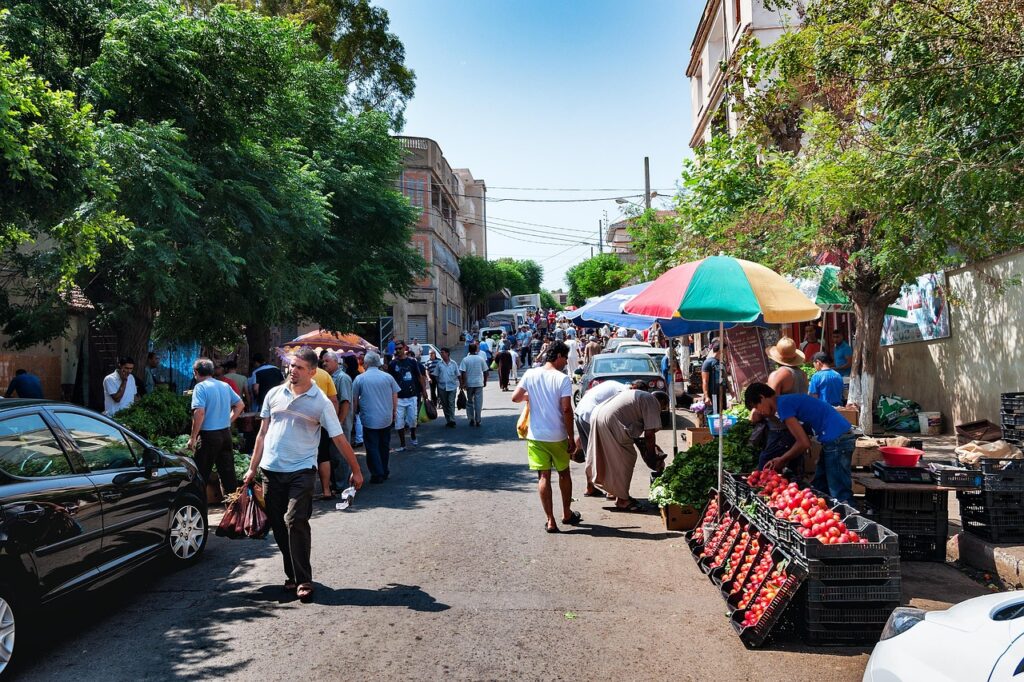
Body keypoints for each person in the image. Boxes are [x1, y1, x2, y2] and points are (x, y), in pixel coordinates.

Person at [242, 348, 363, 602]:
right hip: (271, 470)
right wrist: (252, 468)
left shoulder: (320, 402)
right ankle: (292, 574)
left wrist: (356, 469)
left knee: (295, 520)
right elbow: (262, 434)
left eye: (299, 367)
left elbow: (338, 438)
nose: (292, 371)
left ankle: (304, 579)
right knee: (278, 525)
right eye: (291, 366)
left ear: (312, 372)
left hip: (302, 470)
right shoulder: (274, 394)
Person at [744, 382, 856, 503]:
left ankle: (850, 513)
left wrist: (782, 459)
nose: (759, 412)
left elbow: (804, 443)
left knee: (839, 492)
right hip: (835, 439)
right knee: (820, 486)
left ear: (762, 397)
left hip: (837, 440)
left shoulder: (783, 406)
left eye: (757, 407)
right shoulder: (785, 401)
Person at [511, 341, 581, 533]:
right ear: (558, 356)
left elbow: (515, 397)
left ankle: (550, 520)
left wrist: (530, 397)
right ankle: (566, 513)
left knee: (543, 476)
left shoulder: (530, 374)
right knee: (564, 473)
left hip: (536, 436)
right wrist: (570, 436)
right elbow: (566, 409)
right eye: (565, 358)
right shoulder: (562, 379)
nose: (566, 362)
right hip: (558, 435)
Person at [585, 386, 667, 511]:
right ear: (662, 402)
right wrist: (651, 457)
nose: (660, 412)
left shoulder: (640, 397)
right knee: (626, 458)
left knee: (611, 457)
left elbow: (635, 432)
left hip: (598, 416)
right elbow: (649, 434)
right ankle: (622, 500)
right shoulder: (652, 402)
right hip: (610, 420)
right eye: (663, 408)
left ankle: (614, 492)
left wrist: (648, 450)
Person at [187, 358, 244, 497]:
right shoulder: (224, 385)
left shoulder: (200, 387)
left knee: (201, 475)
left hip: (208, 436)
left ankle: (198, 507)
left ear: (195, 372)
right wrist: (228, 421)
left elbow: (199, 412)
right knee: (228, 475)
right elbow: (240, 405)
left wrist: (193, 437)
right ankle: (233, 508)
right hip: (225, 434)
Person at [352, 351, 400, 483]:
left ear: (366, 363)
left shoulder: (360, 379)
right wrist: (394, 411)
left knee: (372, 446)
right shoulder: (388, 377)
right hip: (386, 417)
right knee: (384, 445)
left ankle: (377, 473)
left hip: (369, 418)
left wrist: (355, 413)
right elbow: (395, 394)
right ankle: (384, 470)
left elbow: (354, 399)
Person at [574, 380, 627, 497]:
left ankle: (590, 487)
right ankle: (611, 490)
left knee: (589, 453)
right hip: (589, 415)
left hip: (579, 412)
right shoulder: (624, 392)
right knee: (606, 453)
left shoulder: (614, 385)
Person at [323, 351, 355, 495]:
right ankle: (337, 483)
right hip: (333, 423)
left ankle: (342, 485)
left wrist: (340, 422)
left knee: (340, 454)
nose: (324, 363)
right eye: (323, 361)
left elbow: (345, 402)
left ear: (336, 362)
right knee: (334, 454)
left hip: (341, 423)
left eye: (327, 361)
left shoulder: (342, 378)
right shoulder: (330, 378)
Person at [388, 343, 428, 451]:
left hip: (412, 395)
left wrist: (424, 390)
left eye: (400, 348)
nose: (398, 350)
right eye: (396, 349)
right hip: (398, 397)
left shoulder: (412, 362)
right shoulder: (392, 364)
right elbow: (389, 380)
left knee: (412, 419)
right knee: (399, 422)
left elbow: (419, 376)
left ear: (405, 348)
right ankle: (402, 444)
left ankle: (413, 435)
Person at [311, 358, 340, 499]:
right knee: (323, 455)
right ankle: (326, 490)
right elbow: (334, 400)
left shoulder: (297, 374)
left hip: (303, 422)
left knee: (306, 456)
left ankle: (306, 493)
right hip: (322, 421)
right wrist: (333, 421)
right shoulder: (325, 375)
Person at [459, 342, 489, 426]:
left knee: (469, 402)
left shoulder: (465, 359)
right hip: (479, 383)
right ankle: (478, 419)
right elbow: (486, 372)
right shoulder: (480, 359)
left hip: (469, 383)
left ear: (469, 350)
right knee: (478, 402)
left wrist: (464, 383)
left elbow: (463, 372)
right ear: (476, 350)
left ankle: (471, 418)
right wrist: (485, 381)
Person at [435, 347, 461, 428]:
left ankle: (452, 420)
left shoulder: (453, 363)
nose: (441, 354)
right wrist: (438, 383)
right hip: (442, 387)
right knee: (445, 404)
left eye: (443, 352)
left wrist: (461, 384)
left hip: (452, 387)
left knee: (451, 403)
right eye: (441, 353)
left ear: (447, 353)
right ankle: (448, 420)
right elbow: (436, 375)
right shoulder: (439, 364)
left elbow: (458, 374)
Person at [701, 340, 728, 412]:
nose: (726, 352)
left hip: (722, 395)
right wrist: (706, 396)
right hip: (713, 396)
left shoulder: (722, 362)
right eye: (725, 350)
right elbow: (705, 381)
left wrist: (731, 391)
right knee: (714, 415)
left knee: (723, 414)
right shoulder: (707, 363)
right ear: (721, 350)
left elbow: (725, 378)